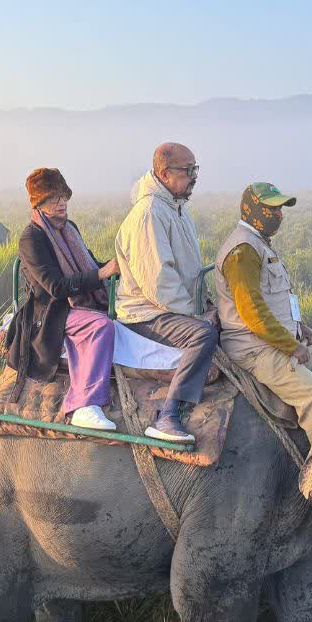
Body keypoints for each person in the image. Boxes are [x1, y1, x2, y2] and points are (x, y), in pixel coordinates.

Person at [214, 183, 312, 441]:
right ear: (252, 210)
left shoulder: (259, 243)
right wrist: (291, 347)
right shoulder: (243, 251)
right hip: (254, 346)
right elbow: (253, 313)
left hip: (279, 336)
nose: (279, 215)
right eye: (272, 209)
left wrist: (299, 327)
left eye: (280, 208)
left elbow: (274, 296)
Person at [114, 142, 216, 443]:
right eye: (187, 170)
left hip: (172, 305)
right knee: (202, 335)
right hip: (146, 311)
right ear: (164, 173)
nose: (194, 176)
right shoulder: (149, 213)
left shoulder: (176, 207)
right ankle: (169, 415)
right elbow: (160, 283)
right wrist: (197, 314)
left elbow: (186, 268)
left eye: (195, 169)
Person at [5, 168, 120, 431]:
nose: (61, 204)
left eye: (63, 197)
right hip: (51, 310)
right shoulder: (31, 238)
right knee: (101, 326)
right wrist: (101, 273)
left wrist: (118, 267)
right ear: (39, 203)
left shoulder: (70, 229)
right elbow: (55, 287)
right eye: (52, 199)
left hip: (78, 299)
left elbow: (89, 264)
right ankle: (84, 404)